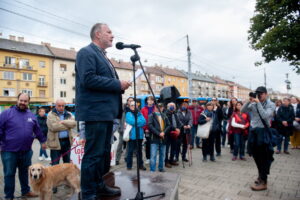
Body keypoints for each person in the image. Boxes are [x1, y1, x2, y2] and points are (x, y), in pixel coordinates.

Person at [75, 23, 131, 199]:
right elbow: (88, 79)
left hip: (107, 114)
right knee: (93, 155)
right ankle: (88, 192)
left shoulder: (103, 56)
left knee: (103, 154)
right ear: (98, 34)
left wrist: (119, 86)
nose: (112, 35)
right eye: (109, 32)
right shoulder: (86, 52)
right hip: (95, 113)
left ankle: (99, 185)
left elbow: (102, 81)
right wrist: (117, 84)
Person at [0, 93, 46, 199]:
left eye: (25, 101)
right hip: (9, 151)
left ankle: (25, 191)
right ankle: (9, 196)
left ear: (28, 102)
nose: (23, 103)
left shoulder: (31, 115)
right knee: (9, 174)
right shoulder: (6, 113)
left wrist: (43, 141)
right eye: (21, 100)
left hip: (26, 151)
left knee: (25, 173)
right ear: (17, 100)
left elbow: (37, 130)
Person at [242, 86, 275, 191]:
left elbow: (265, 116)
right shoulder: (254, 102)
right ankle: (260, 176)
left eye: (261, 93)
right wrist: (249, 100)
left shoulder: (271, 104)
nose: (259, 95)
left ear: (266, 94)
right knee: (255, 155)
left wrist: (258, 103)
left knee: (264, 157)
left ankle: (264, 182)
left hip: (263, 132)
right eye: (257, 93)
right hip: (253, 131)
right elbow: (243, 110)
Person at [47, 99, 76, 165]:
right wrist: (68, 125)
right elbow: (53, 127)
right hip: (55, 142)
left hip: (67, 142)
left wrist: (63, 122)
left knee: (67, 163)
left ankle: (66, 175)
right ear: (55, 106)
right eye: (59, 106)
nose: (61, 107)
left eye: (63, 106)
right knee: (55, 164)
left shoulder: (69, 114)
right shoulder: (50, 114)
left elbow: (74, 124)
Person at [148, 104, 171, 172]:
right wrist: (159, 133)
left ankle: (161, 168)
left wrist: (164, 132)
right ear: (155, 107)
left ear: (163, 108)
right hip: (154, 138)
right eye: (158, 107)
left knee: (162, 154)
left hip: (163, 138)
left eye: (161, 107)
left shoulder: (164, 115)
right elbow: (150, 126)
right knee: (153, 155)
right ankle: (152, 169)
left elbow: (169, 125)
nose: (159, 108)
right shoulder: (151, 115)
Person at [125, 101, 146, 170]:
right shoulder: (128, 113)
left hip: (139, 135)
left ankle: (140, 165)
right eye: (132, 105)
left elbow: (144, 122)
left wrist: (136, 123)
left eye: (135, 105)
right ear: (129, 106)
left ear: (137, 106)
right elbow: (130, 121)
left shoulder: (140, 113)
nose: (133, 106)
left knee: (139, 151)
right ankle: (129, 165)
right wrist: (138, 123)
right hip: (132, 136)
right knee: (130, 151)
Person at [116, 97, 133, 165]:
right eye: (130, 101)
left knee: (128, 145)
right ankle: (117, 159)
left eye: (132, 101)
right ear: (127, 102)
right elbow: (118, 119)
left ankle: (126, 157)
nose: (131, 102)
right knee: (120, 144)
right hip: (122, 130)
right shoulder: (123, 109)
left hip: (130, 130)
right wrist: (119, 128)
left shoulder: (133, 109)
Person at [165, 102, 182, 167]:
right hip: (168, 133)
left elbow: (178, 122)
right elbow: (168, 124)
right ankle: (166, 161)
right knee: (167, 148)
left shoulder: (175, 114)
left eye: (174, 106)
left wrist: (179, 128)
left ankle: (171, 160)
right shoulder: (166, 114)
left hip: (175, 134)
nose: (173, 107)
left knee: (173, 147)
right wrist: (175, 129)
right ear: (168, 107)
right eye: (171, 106)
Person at [141, 96, 155, 164]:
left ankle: (153, 157)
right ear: (147, 101)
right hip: (147, 129)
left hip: (154, 129)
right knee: (148, 144)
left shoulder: (155, 108)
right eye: (149, 100)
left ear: (153, 101)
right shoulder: (143, 109)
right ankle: (148, 158)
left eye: (151, 100)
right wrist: (145, 128)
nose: (150, 101)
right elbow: (142, 119)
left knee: (154, 144)